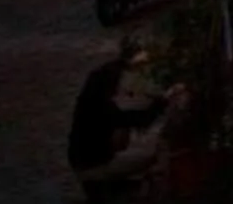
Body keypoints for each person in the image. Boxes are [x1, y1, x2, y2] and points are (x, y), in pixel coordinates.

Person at [67, 37, 172, 195]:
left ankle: (105, 178)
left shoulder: (91, 99)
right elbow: (138, 119)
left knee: (127, 139)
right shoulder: (104, 107)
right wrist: (163, 101)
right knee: (152, 157)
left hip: (84, 161)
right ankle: (104, 179)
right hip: (94, 166)